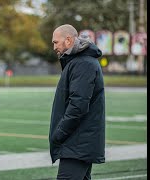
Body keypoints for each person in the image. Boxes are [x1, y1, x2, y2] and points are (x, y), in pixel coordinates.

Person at [49, 24, 105, 180]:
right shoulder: (78, 62)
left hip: (78, 143)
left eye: (55, 42)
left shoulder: (83, 63)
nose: (54, 47)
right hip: (79, 143)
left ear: (68, 40)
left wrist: (59, 133)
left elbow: (78, 106)